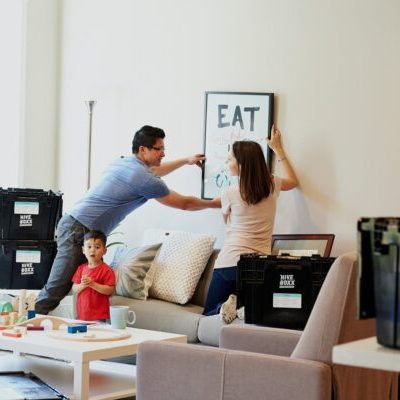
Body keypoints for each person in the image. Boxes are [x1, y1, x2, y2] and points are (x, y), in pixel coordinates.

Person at [35, 125, 221, 314]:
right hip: (79, 229)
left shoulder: (125, 162)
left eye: (164, 149)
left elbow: (155, 171)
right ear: (143, 149)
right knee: (58, 286)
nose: (163, 154)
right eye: (159, 149)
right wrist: (217, 203)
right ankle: (25, 328)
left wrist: (185, 161)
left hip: (75, 224)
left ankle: (33, 322)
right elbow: (185, 203)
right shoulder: (143, 178)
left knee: (63, 285)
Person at [202, 125, 299, 323]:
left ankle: (225, 307)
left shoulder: (229, 192)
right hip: (260, 265)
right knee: (253, 316)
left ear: (241, 164)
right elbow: (293, 181)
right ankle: (239, 308)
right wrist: (278, 149)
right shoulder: (272, 185)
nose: (227, 162)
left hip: (229, 262)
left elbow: (228, 226)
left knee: (209, 314)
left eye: (230, 159)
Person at [72, 230, 115, 321]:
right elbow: (74, 288)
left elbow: (110, 290)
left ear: (104, 250)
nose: (92, 250)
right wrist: (83, 285)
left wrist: (93, 284)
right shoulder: (81, 268)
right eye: (89, 247)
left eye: (97, 247)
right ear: (84, 250)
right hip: (82, 313)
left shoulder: (107, 270)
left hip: (99, 315)